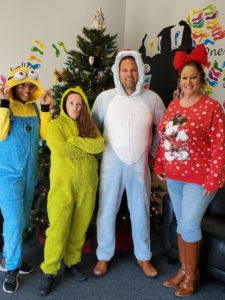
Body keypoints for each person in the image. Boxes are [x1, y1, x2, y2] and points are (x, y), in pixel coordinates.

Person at [154, 44, 225, 297]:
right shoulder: (174, 105)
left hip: (200, 178)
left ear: (201, 79)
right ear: (180, 80)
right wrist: (160, 164)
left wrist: (214, 178)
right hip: (175, 176)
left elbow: (220, 146)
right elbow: (165, 136)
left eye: (193, 77)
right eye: (184, 77)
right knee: (182, 225)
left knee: (190, 224)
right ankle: (184, 270)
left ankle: (192, 276)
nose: (188, 81)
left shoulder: (212, 107)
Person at [91, 50, 165, 277]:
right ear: (118, 72)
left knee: (141, 209)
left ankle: (143, 257)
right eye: (124, 70)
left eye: (133, 69)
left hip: (140, 164)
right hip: (112, 164)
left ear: (140, 70)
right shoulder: (105, 98)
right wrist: (98, 157)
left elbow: (164, 130)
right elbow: (93, 129)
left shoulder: (152, 99)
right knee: (107, 209)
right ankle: (103, 256)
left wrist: (154, 154)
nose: (129, 74)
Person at [38, 87, 104, 296]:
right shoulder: (56, 125)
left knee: (80, 226)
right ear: (65, 105)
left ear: (83, 105)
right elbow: (59, 148)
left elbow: (100, 145)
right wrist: (85, 146)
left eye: (79, 104)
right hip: (62, 187)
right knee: (58, 228)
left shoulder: (90, 125)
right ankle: (49, 271)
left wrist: (75, 141)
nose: (75, 108)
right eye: (71, 103)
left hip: (88, 184)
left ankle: (72, 262)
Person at [0, 64, 52, 293]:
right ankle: (11, 267)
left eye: (31, 86)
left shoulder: (33, 108)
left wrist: (45, 109)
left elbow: (45, 135)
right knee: (12, 221)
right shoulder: (6, 106)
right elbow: (0, 133)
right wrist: (2, 104)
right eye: (23, 85)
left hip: (29, 173)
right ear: (14, 86)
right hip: (7, 173)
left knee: (20, 220)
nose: (27, 89)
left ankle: (8, 257)